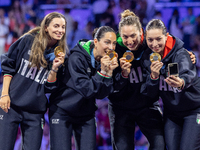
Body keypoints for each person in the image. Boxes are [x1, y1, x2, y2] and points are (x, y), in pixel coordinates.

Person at [108, 9, 196, 150]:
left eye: (133, 36)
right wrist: (123, 74)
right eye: (125, 37)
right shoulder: (114, 49)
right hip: (121, 107)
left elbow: (171, 46)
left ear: (141, 32)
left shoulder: (150, 45)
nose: (130, 41)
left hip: (147, 105)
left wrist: (187, 56)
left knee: (160, 145)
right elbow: (109, 84)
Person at [0, 12, 67, 150]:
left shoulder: (61, 55)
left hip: (35, 111)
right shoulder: (28, 40)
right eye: (56, 26)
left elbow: (50, 87)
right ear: (46, 27)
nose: (60, 30)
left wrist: (54, 68)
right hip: (11, 104)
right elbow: (8, 64)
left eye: (63, 27)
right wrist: (4, 93)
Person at [46, 26, 119, 150]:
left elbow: (101, 94)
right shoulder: (77, 58)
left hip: (86, 114)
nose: (111, 48)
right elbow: (87, 90)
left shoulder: (104, 61)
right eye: (107, 42)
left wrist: (109, 73)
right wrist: (102, 72)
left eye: (114, 43)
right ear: (96, 42)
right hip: (62, 112)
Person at [142, 19, 200, 150]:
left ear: (166, 36)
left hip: (195, 110)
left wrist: (181, 82)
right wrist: (153, 77)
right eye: (150, 40)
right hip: (171, 114)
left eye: (158, 39)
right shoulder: (147, 59)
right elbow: (150, 94)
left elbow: (188, 72)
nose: (154, 44)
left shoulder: (181, 54)